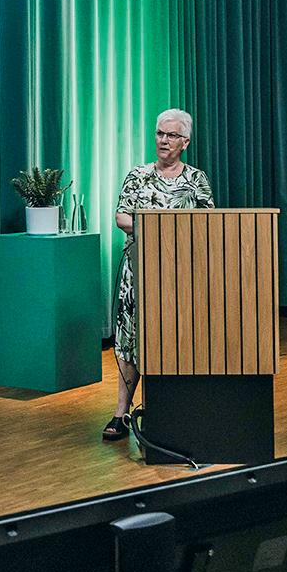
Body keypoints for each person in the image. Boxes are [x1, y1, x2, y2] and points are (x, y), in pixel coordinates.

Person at [104, 108, 214, 441]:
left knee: (174, 339)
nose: (164, 140)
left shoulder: (196, 179)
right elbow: (122, 217)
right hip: (138, 271)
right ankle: (121, 413)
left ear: (185, 142)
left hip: (181, 275)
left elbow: (208, 222)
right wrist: (155, 231)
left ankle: (167, 411)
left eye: (171, 135)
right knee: (131, 340)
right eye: (159, 134)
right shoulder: (138, 175)